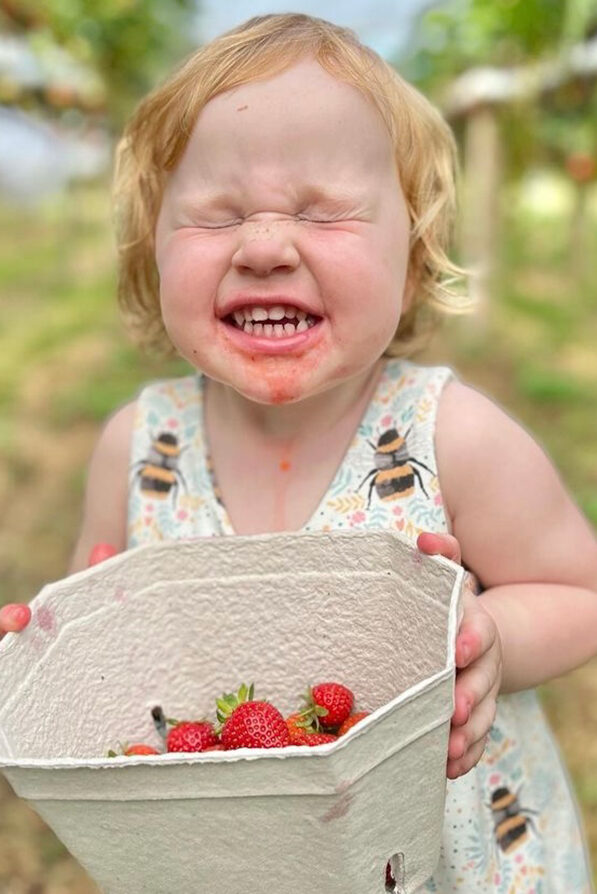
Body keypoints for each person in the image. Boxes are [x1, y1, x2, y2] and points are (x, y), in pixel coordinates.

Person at [2, 14, 596, 892]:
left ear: (413, 252)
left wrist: (495, 637)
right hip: (231, 858)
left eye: (323, 213)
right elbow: (104, 621)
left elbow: (579, 590)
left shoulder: (448, 437)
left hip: (443, 855)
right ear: (149, 248)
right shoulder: (138, 447)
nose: (266, 246)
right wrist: (52, 647)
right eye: (217, 215)